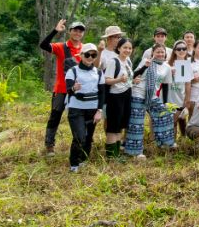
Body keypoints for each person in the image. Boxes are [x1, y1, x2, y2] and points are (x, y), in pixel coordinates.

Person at [39, 19, 84, 155]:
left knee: (78, 118)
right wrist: (55, 31)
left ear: (83, 33)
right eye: (75, 30)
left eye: (80, 30)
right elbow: (43, 45)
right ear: (70, 31)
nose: (77, 32)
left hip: (78, 90)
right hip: (61, 89)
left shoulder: (85, 49)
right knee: (55, 116)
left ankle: (80, 144)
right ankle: (49, 145)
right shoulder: (61, 47)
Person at [127, 43, 176, 159]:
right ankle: (135, 152)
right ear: (153, 53)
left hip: (153, 96)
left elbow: (165, 86)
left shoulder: (167, 67)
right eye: (157, 52)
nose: (160, 54)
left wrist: (165, 103)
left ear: (165, 54)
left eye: (162, 52)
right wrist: (145, 66)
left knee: (166, 115)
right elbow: (133, 75)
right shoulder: (146, 61)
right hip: (138, 94)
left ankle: (164, 144)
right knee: (137, 124)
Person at [64, 43, 104, 172]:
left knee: (88, 137)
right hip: (76, 108)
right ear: (81, 55)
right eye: (87, 54)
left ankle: (83, 160)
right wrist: (73, 88)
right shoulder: (73, 71)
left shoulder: (98, 72)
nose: (90, 57)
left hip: (92, 109)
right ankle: (74, 164)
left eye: (93, 55)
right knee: (79, 136)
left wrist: (99, 110)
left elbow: (102, 92)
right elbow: (68, 90)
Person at [103, 37, 134, 158]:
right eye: (125, 47)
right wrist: (119, 80)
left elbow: (129, 78)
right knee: (113, 126)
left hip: (127, 95)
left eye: (130, 48)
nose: (127, 50)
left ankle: (117, 154)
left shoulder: (128, 61)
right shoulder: (113, 61)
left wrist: (133, 80)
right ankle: (111, 156)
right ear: (119, 48)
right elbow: (107, 80)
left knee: (120, 125)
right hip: (116, 97)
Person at [167, 40, 192, 137]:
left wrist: (187, 99)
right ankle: (171, 142)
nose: (181, 50)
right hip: (169, 97)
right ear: (174, 51)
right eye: (179, 49)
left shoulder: (187, 65)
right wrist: (169, 72)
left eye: (184, 49)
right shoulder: (167, 64)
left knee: (179, 119)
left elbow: (188, 84)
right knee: (171, 122)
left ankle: (181, 139)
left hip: (180, 97)